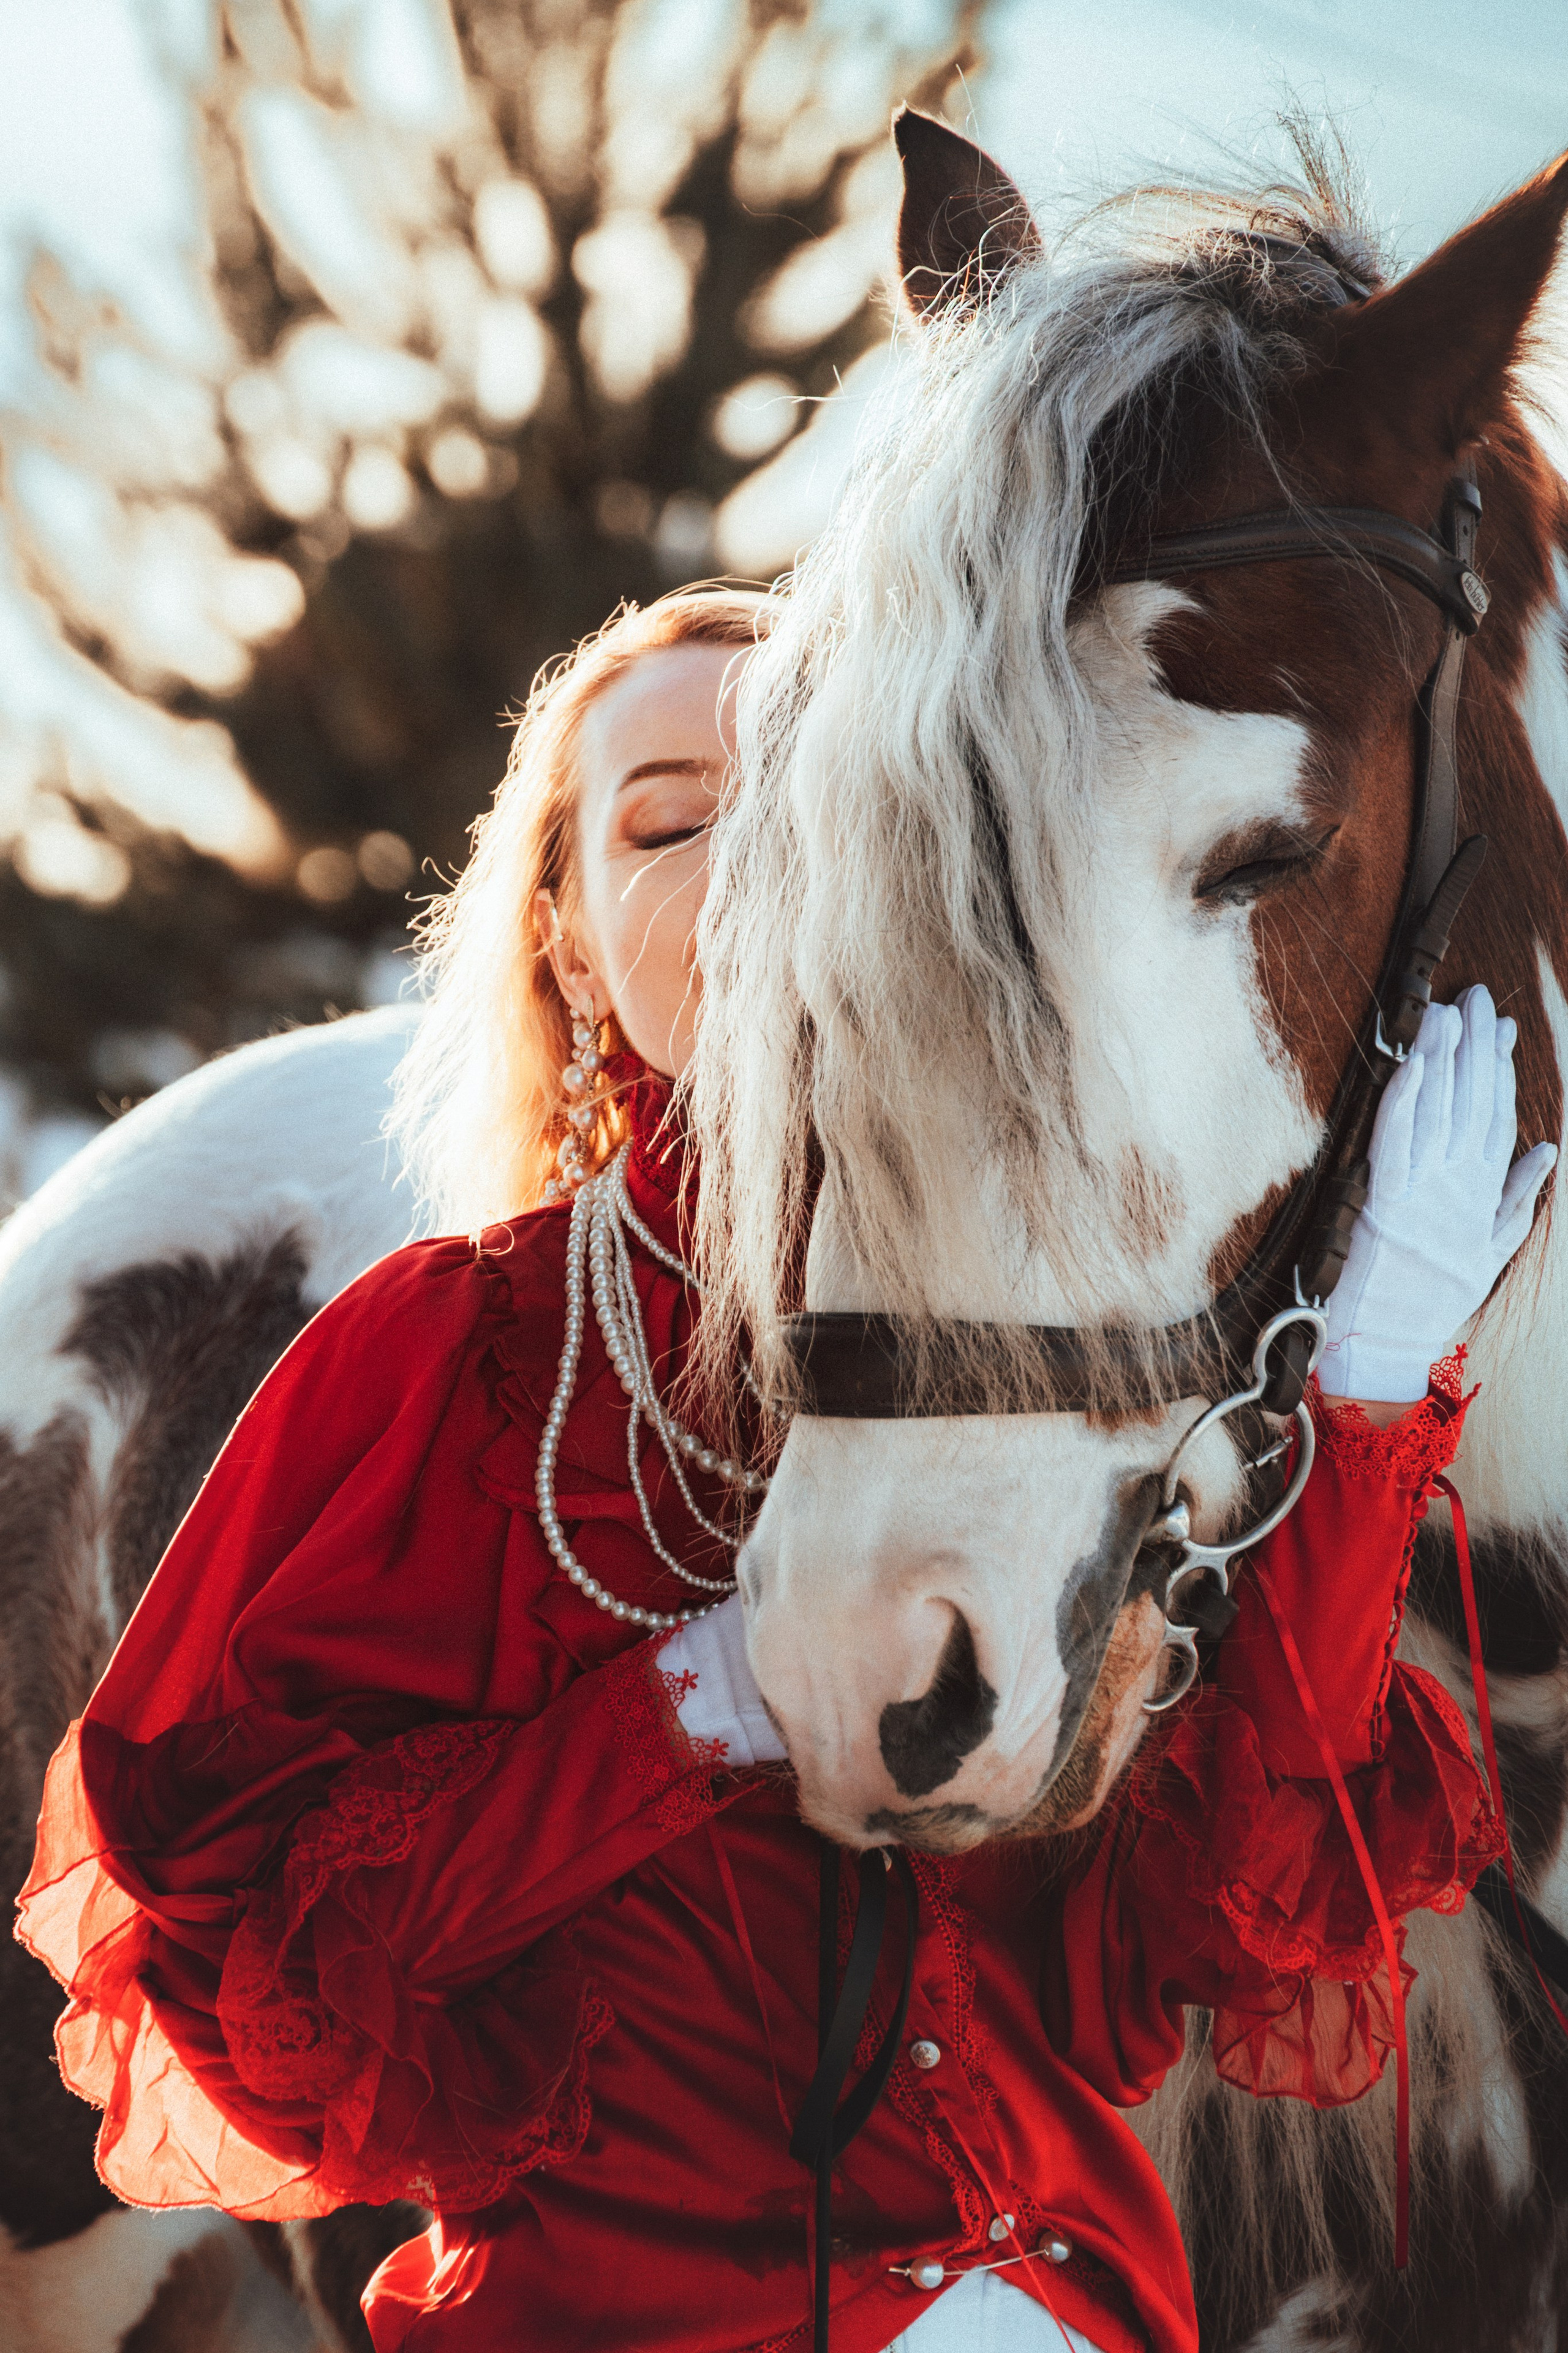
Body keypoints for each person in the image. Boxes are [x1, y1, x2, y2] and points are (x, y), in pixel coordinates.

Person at [15, 586, 1553, 2353]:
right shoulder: (431, 1370)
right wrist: (686, 1707)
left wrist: (1363, 1390)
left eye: (818, 806)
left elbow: (1213, 1906)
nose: (750, 862)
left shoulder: (1069, 1334)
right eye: (669, 820)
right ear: (570, 942)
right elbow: (290, 1974)